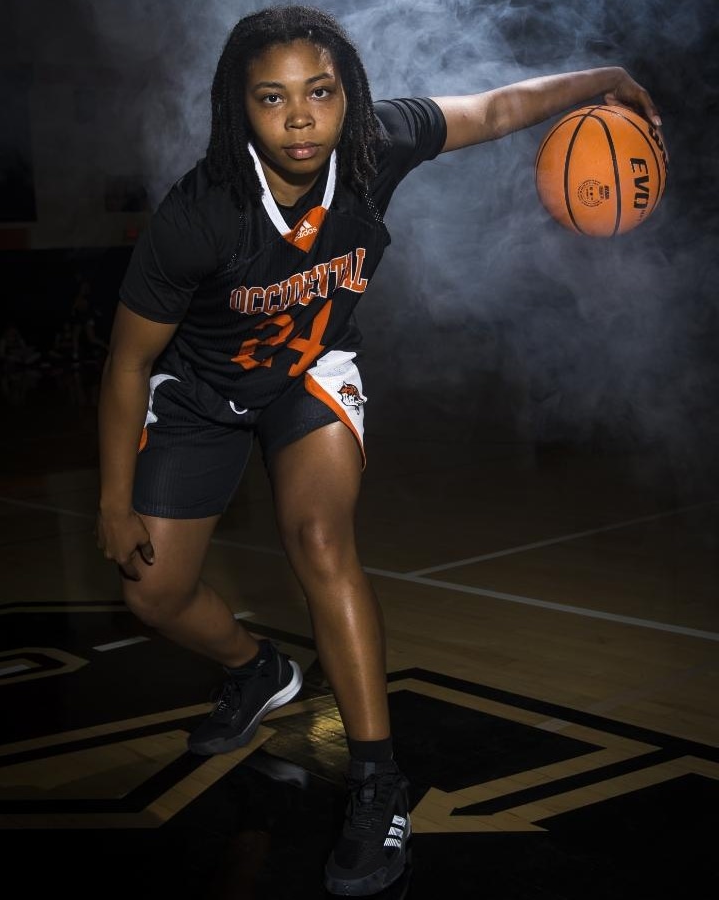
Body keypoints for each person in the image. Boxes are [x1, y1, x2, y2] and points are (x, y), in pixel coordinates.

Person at [95, 5, 662, 895]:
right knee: (154, 593)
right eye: (272, 98)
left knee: (320, 539)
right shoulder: (201, 213)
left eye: (319, 93)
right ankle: (258, 671)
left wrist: (604, 81)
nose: (299, 118)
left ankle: (376, 781)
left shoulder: (375, 146)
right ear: (237, 107)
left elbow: (502, 107)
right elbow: (129, 359)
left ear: (347, 97)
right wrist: (112, 500)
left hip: (314, 373)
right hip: (204, 395)